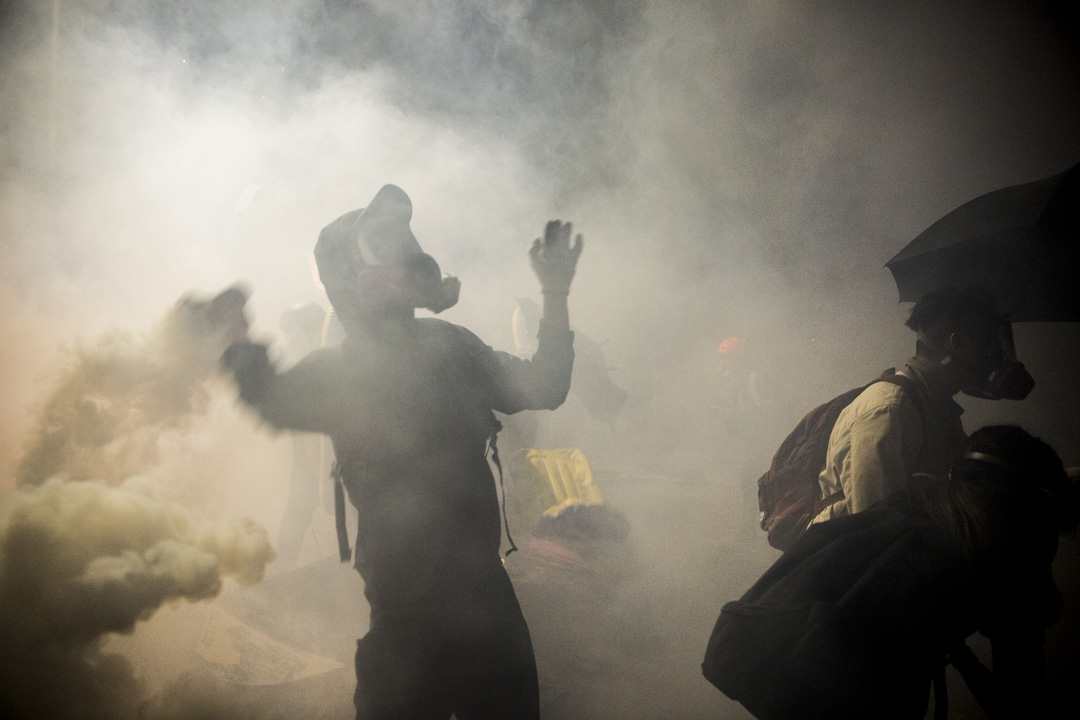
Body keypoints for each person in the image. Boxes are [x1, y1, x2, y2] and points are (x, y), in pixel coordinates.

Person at [222, 184, 583, 720]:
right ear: (350, 285)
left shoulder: (442, 347)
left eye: (397, 261)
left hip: (465, 600)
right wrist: (235, 338)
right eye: (375, 263)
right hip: (421, 610)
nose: (390, 272)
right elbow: (272, 399)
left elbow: (546, 386)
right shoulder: (355, 367)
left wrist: (555, 292)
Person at [705, 424, 1076, 719]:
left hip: (777, 679)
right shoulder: (993, 558)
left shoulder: (909, 511)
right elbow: (1019, 704)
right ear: (1023, 513)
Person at [811, 286, 1034, 525]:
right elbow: (877, 530)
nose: (997, 357)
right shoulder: (888, 410)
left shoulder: (935, 407)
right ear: (958, 344)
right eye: (989, 344)